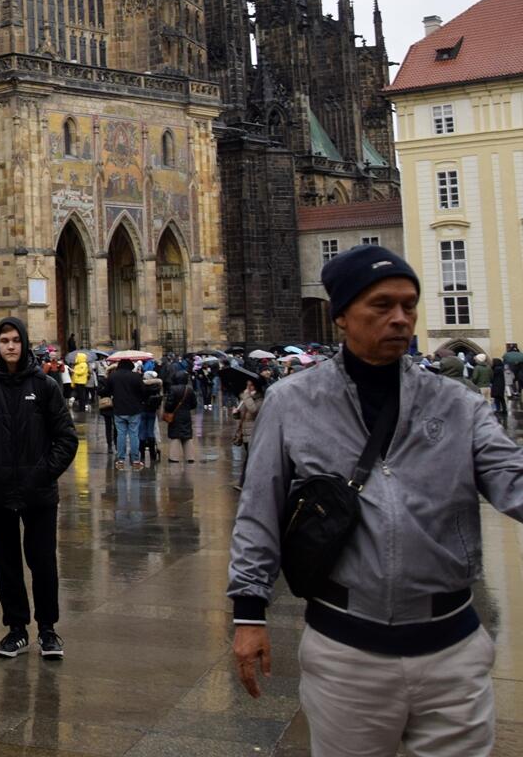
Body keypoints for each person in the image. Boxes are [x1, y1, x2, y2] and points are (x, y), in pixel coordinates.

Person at [230, 246, 523, 753]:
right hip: (346, 648)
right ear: (342, 316)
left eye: (409, 305)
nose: (400, 318)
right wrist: (248, 613)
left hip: (451, 646)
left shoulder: (456, 403)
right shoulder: (293, 401)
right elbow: (259, 511)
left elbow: (512, 479)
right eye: (382, 305)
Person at [0, 318, 78, 660]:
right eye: (4, 341)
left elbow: (66, 438)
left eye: (16, 340)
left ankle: (47, 629)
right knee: (6, 565)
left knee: (43, 562)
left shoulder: (45, 386)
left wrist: (43, 474)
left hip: (39, 493)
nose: (10, 346)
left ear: (24, 343)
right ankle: (16, 629)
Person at [108, 355, 148, 470]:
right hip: (134, 409)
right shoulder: (136, 376)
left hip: (119, 409)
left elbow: (107, 390)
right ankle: (135, 460)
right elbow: (143, 391)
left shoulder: (113, 376)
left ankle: (121, 460)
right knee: (134, 434)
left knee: (121, 434)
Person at [162, 355, 197, 464]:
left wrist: (167, 409)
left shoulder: (173, 389)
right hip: (186, 415)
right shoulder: (189, 389)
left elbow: (169, 405)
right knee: (187, 436)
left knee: (175, 436)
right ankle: (190, 457)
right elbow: (194, 404)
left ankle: (174, 457)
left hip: (175, 415)